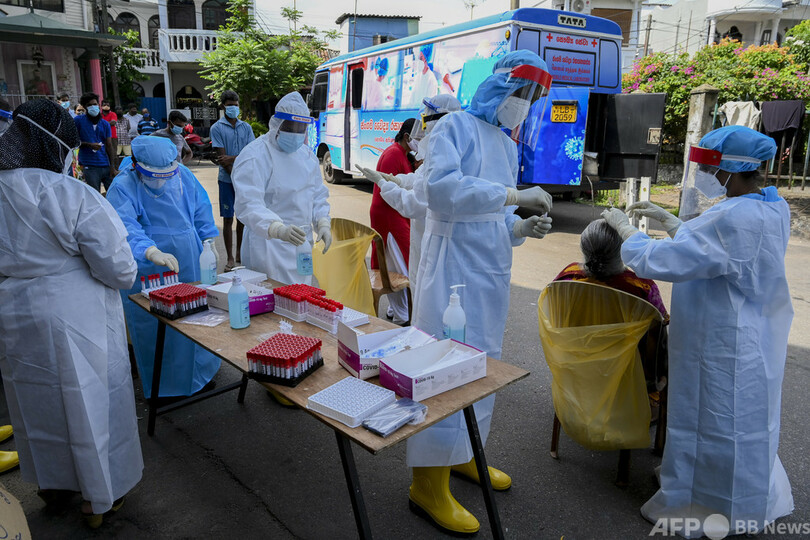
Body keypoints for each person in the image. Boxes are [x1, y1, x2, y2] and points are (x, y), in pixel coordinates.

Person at [601, 125, 793, 538]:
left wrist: (627, 231)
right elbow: (715, 253)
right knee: (743, 424)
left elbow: (665, 261)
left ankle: (703, 503)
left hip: (721, 340)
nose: (706, 175)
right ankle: (730, 493)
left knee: (714, 422)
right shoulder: (772, 206)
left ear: (731, 169)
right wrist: (676, 225)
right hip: (751, 334)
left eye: (711, 166)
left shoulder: (733, 217)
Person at [405, 51, 554, 534]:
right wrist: (513, 198)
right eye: (522, 94)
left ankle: (465, 453)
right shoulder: (454, 128)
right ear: (499, 88)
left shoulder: (506, 146)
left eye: (533, 99)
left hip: (490, 270)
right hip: (450, 267)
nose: (525, 105)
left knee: (482, 364)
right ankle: (427, 480)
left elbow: (495, 216)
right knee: (444, 368)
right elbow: (442, 192)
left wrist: (521, 226)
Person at [0, 99, 143, 527]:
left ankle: (51, 485)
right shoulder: (67, 193)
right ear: (56, 144)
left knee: (34, 401)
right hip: (75, 316)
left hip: (15, 311)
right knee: (90, 403)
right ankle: (98, 499)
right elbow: (120, 269)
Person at [106, 136, 221, 398]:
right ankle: (164, 383)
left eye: (167, 174)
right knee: (155, 324)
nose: (161, 179)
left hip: (189, 255)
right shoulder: (123, 185)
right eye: (152, 174)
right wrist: (149, 250)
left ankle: (199, 375)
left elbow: (201, 207)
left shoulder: (183, 176)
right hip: (149, 264)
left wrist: (208, 239)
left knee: (194, 316)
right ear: (136, 165)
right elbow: (124, 225)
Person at [357, 95, 462, 308]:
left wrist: (386, 184)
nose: (421, 129)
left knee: (428, 295)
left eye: (425, 120)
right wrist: (396, 180)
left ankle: (405, 315)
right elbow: (420, 178)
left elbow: (414, 203)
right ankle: (405, 314)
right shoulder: (440, 150)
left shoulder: (445, 152)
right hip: (423, 228)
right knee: (411, 273)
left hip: (433, 232)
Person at [232, 91, 331, 286]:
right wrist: (277, 228)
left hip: (301, 243)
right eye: (290, 127)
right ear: (277, 124)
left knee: (302, 299)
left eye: (300, 127)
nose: (295, 133)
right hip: (268, 244)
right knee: (270, 305)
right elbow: (248, 204)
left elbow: (317, 195)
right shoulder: (255, 155)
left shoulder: (306, 156)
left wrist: (323, 222)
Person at [553, 219, 668, 319]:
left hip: (573, 343)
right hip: (627, 345)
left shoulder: (567, 276)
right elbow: (660, 325)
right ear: (623, 250)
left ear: (583, 247)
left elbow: (553, 313)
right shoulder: (642, 287)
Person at [369, 118, 416, 324]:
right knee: (399, 265)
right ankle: (402, 313)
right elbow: (386, 191)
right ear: (407, 137)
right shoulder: (393, 154)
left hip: (396, 212)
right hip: (389, 215)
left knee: (397, 263)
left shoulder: (402, 153)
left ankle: (397, 310)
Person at [210, 90, 255, 271]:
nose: (233, 108)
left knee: (242, 218)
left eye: (236, 105)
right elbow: (222, 159)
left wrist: (232, 158)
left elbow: (251, 154)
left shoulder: (246, 128)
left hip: (244, 180)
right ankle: (229, 258)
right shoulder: (217, 128)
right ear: (223, 106)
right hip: (227, 180)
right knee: (228, 219)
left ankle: (240, 253)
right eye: (230, 105)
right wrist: (232, 162)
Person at [74, 92, 118, 192]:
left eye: (95, 104)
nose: (93, 107)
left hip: (105, 165)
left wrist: (112, 167)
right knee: (95, 195)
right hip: (89, 165)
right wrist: (88, 145)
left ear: (98, 105)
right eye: (89, 105)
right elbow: (74, 141)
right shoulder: (78, 121)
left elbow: (109, 145)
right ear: (85, 107)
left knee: (113, 193)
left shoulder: (105, 124)